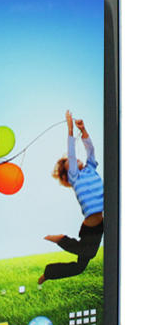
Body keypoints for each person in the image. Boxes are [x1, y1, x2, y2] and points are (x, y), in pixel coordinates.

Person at [39, 110, 104, 284]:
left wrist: (83, 130)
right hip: (91, 228)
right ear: (69, 173)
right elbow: (72, 154)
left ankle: (49, 273)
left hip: (100, 225)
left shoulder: (90, 168)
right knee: (87, 253)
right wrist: (70, 128)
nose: (74, 159)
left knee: (79, 267)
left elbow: (91, 150)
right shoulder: (75, 177)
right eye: (70, 161)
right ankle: (61, 239)